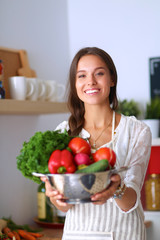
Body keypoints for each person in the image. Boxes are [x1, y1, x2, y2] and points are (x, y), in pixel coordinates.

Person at [42, 47, 152, 240]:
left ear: (112, 79)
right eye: (82, 76)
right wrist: (55, 196)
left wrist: (116, 189)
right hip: (78, 234)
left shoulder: (137, 131)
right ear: (75, 84)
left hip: (125, 234)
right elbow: (65, 206)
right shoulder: (61, 134)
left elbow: (130, 203)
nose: (90, 82)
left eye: (99, 73)